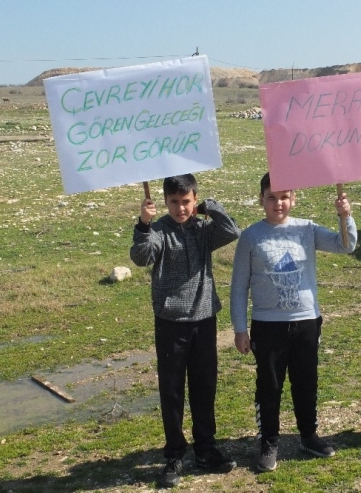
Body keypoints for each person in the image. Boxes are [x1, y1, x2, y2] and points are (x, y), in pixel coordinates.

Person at [230, 172, 357, 472]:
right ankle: (269, 442)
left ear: (294, 198)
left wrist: (345, 216)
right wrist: (239, 328)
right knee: (269, 384)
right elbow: (239, 286)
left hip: (306, 321)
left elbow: (346, 245)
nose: (278, 203)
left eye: (284, 197)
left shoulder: (307, 229)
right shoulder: (251, 236)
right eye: (272, 197)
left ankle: (308, 435)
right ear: (261, 199)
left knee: (306, 380)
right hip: (267, 323)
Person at [130, 174, 240, 488]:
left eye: (187, 202)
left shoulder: (204, 230)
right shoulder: (159, 231)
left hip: (204, 319)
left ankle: (205, 449)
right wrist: (143, 224)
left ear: (194, 199)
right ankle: (175, 453)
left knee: (204, 386)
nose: (181, 208)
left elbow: (232, 230)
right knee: (173, 389)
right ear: (165, 201)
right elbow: (141, 257)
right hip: (170, 323)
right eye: (175, 202)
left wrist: (210, 207)